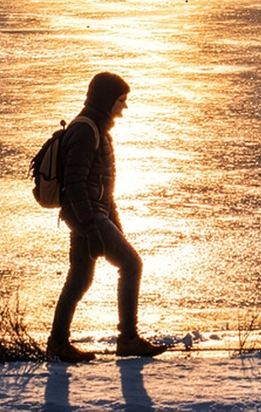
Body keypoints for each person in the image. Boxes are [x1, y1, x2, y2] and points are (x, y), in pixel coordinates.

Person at [46, 72, 169, 363]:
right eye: (121, 100)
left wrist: (114, 222)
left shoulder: (99, 131)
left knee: (79, 280)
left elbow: (102, 187)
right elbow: (75, 185)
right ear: (106, 100)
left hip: (92, 215)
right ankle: (128, 339)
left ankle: (58, 344)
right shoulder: (86, 132)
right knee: (132, 265)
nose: (124, 107)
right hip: (87, 216)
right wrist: (92, 227)